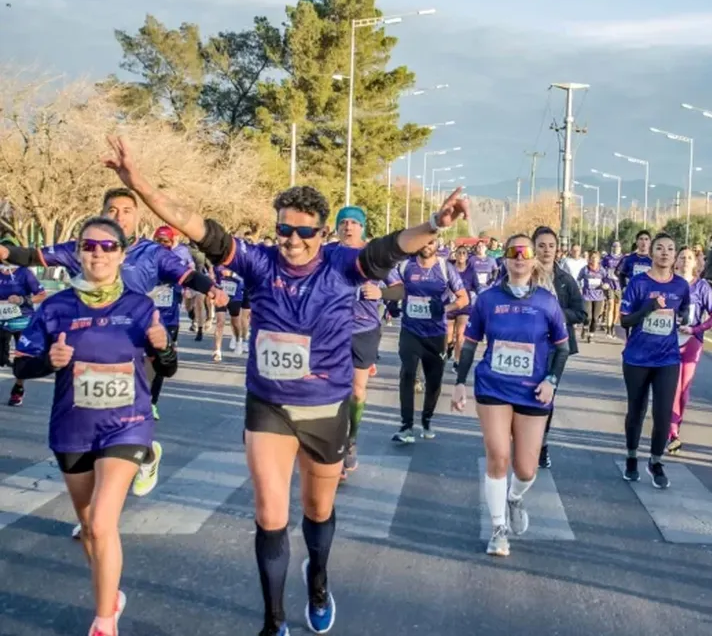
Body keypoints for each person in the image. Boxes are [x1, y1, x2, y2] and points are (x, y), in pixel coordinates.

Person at [100, 135, 470, 636]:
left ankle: (317, 579)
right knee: (270, 515)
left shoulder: (344, 265)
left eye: (303, 233)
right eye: (283, 231)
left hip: (325, 408)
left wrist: (434, 224)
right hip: (269, 406)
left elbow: (389, 247)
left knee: (318, 511)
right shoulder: (257, 263)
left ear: (323, 234)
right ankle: (274, 621)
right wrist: (137, 182)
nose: (292, 241)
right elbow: (194, 224)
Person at [0, 185, 227, 502]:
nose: (119, 216)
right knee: (94, 418)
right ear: (102, 213)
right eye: (112, 210)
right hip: (88, 342)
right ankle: (97, 506)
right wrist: (6, 253)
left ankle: (136, 467)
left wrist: (211, 289)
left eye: (127, 211)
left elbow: (187, 276)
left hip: (135, 343)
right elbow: (35, 256)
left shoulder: (153, 253)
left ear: (138, 218)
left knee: (132, 411)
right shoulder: (85, 247)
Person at [13, 216, 176, 636]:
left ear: (122, 255)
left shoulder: (140, 307)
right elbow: (21, 365)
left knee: (103, 523)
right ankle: (112, 594)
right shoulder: (56, 308)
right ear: (78, 253)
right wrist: (49, 362)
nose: (98, 254)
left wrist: (165, 348)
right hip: (72, 427)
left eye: (108, 247)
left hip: (128, 425)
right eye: (89, 246)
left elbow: (167, 368)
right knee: (88, 527)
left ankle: (104, 622)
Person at [451, 234, 569, 556]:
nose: (519, 257)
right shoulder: (487, 300)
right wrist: (460, 382)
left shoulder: (546, 301)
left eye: (525, 252)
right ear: (503, 259)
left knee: (526, 468)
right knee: (498, 456)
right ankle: (498, 528)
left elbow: (563, 348)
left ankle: (514, 498)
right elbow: (471, 343)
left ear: (533, 260)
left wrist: (551, 381)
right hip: (493, 387)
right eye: (513, 252)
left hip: (533, 392)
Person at [619, 233, 690, 488]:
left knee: (662, 414)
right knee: (636, 411)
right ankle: (631, 456)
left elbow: (684, 311)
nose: (664, 253)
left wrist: (682, 321)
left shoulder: (681, 285)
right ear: (652, 253)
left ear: (674, 256)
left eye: (670, 249)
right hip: (637, 357)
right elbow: (624, 320)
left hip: (667, 358)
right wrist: (648, 307)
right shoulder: (638, 283)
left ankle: (656, 461)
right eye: (659, 248)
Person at [384, 239, 468, 443]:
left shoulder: (444, 268)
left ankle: (427, 418)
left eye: (431, 242)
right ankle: (406, 426)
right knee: (407, 374)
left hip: (436, 334)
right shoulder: (405, 266)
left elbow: (464, 298)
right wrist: (392, 303)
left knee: (434, 381)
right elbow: (395, 289)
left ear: (437, 244)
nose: (427, 245)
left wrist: (446, 309)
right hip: (410, 331)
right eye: (424, 241)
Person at [532, 226, 587, 469]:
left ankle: (542, 445)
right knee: (523, 394)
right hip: (526, 344)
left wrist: (554, 314)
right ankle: (524, 441)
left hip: (556, 347)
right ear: (533, 247)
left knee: (546, 396)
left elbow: (581, 313)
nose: (546, 250)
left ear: (557, 249)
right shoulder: (524, 274)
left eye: (551, 246)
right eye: (541, 245)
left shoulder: (565, 280)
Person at [336, 206, 383, 475]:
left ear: (362, 227)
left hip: (364, 330)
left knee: (356, 391)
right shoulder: (329, 255)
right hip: (333, 330)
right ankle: (336, 446)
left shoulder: (374, 256)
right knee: (332, 390)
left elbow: (400, 289)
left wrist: (382, 291)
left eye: (354, 222)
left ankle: (351, 439)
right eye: (343, 222)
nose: (348, 226)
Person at [668, 245, 712, 452]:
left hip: (692, 342)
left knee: (684, 389)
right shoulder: (668, 283)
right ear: (676, 261)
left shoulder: (702, 287)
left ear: (696, 262)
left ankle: (677, 423)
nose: (685, 261)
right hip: (669, 341)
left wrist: (696, 329)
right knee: (673, 386)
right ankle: (673, 432)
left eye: (689, 257)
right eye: (681, 257)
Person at [148, 226, 194, 419]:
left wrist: (188, 293)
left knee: (159, 364)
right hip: (146, 319)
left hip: (169, 320)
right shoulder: (147, 261)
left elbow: (189, 280)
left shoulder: (175, 263)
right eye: (158, 240)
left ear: (172, 242)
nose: (162, 244)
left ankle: (152, 403)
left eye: (165, 241)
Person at [0, 260, 46, 406]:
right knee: (1, 357)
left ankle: (18, 389)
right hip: (1, 320)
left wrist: (22, 299)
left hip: (23, 321)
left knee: (21, 356)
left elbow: (41, 294)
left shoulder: (24, 272)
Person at [447, 245, 480, 371]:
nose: (461, 255)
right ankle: (449, 346)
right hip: (450, 305)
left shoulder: (471, 271)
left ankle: (457, 361)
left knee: (460, 334)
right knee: (448, 336)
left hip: (465, 306)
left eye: (464, 253)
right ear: (455, 254)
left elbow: (477, 287)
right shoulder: (449, 269)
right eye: (459, 253)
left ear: (467, 256)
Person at [210, 263, 246, 361]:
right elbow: (212, 279)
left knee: (235, 322)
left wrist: (231, 275)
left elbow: (244, 279)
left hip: (235, 296)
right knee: (220, 322)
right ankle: (217, 350)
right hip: (221, 295)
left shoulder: (238, 263)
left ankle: (238, 339)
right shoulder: (217, 264)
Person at [577, 251, 614, 343]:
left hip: (598, 296)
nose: (594, 259)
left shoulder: (601, 270)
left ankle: (591, 335)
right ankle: (585, 327)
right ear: (589, 259)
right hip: (587, 295)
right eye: (592, 257)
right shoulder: (585, 269)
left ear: (599, 259)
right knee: (588, 317)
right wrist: (580, 287)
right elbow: (578, 279)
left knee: (595, 318)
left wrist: (606, 284)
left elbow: (607, 279)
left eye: (596, 258)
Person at [601, 241, 624, 338]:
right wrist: (603, 281)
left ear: (620, 248)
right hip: (609, 284)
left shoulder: (623, 259)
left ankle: (613, 326)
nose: (616, 248)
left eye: (618, 246)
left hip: (619, 285)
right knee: (610, 305)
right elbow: (601, 269)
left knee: (617, 308)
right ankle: (609, 328)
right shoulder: (607, 258)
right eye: (614, 246)